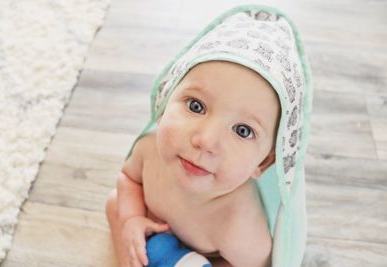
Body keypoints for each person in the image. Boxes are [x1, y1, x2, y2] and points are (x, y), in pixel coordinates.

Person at [106, 5, 312, 267]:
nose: (205, 141)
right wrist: (132, 219)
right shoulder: (149, 151)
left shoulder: (240, 225)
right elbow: (128, 178)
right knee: (115, 204)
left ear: (263, 163)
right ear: (165, 99)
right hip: (156, 227)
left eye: (243, 131)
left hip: (209, 258)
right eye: (196, 106)